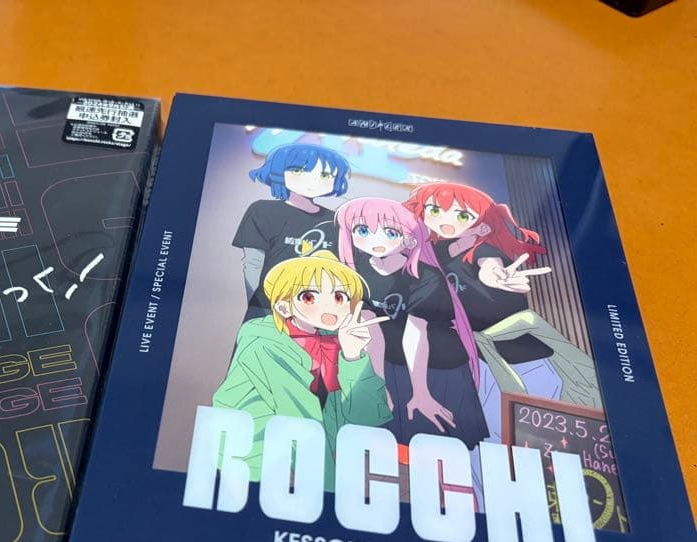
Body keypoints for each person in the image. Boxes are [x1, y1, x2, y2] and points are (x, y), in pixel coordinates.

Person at [404, 182, 601, 442]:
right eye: (435, 211)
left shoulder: (484, 250)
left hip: (524, 358)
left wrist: (496, 276)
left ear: (483, 225)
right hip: (479, 360)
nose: (445, 220)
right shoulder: (434, 254)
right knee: (495, 429)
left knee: (531, 431)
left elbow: (489, 266)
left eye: (461, 215)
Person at [212, 249, 391, 487]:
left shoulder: (333, 341)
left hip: (305, 459)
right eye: (309, 297)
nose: (329, 308)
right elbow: (299, 419)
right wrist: (329, 493)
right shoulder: (263, 343)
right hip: (252, 462)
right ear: (283, 307)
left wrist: (353, 356)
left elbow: (366, 419)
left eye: (339, 297)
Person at [334, 196, 487, 452]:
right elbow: (371, 329)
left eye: (390, 232)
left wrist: (422, 392)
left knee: (444, 445)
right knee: (390, 444)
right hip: (392, 364)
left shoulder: (425, 276)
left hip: (438, 367)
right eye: (362, 230)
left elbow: (415, 334)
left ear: (410, 239)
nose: (375, 239)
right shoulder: (357, 271)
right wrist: (379, 384)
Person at [233, 143, 350, 320]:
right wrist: (263, 306)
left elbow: (338, 272)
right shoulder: (263, 211)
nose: (313, 181)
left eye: (325, 175)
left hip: (315, 313)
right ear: (279, 172)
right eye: (298, 171)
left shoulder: (335, 221)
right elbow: (252, 263)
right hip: (268, 309)